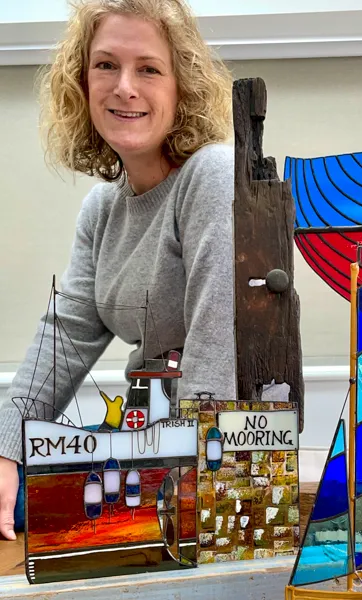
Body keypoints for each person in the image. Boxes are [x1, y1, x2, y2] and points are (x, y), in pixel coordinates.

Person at [0, 0, 237, 541]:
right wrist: (5, 448)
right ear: (81, 83)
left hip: (213, 455)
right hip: (143, 437)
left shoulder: (211, 175)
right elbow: (64, 337)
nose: (124, 86)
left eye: (148, 68)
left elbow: (218, 341)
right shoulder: (103, 208)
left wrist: (187, 477)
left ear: (183, 87)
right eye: (106, 65)